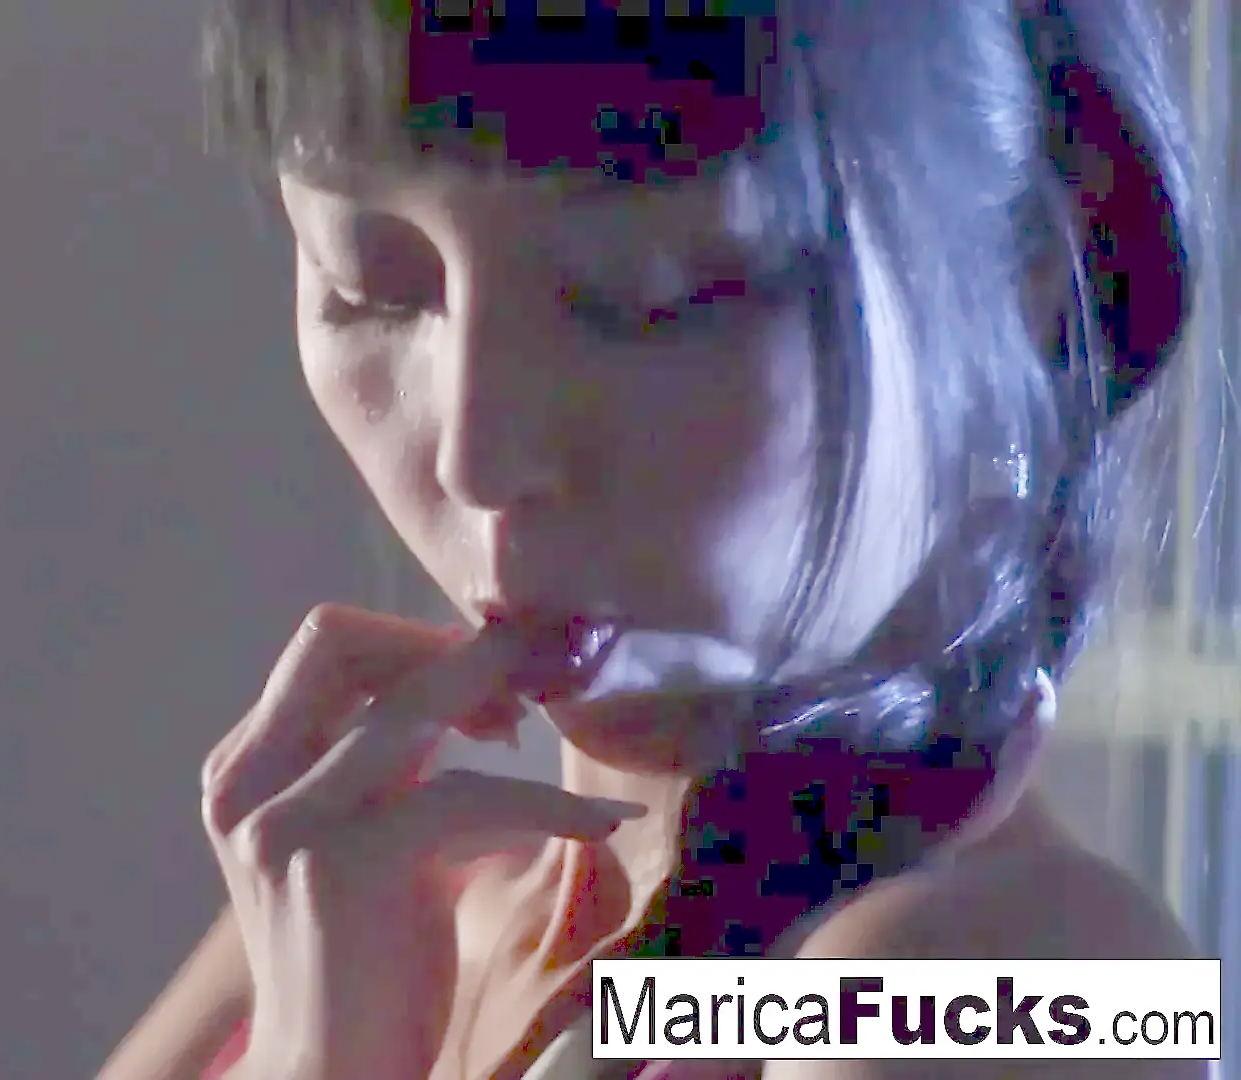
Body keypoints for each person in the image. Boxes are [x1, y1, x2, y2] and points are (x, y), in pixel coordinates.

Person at [100, 2, 1210, 1078]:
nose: (476, 458)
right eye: (370, 287)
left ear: (1027, 290)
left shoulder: (1023, 988)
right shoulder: (357, 902)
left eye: (648, 295)